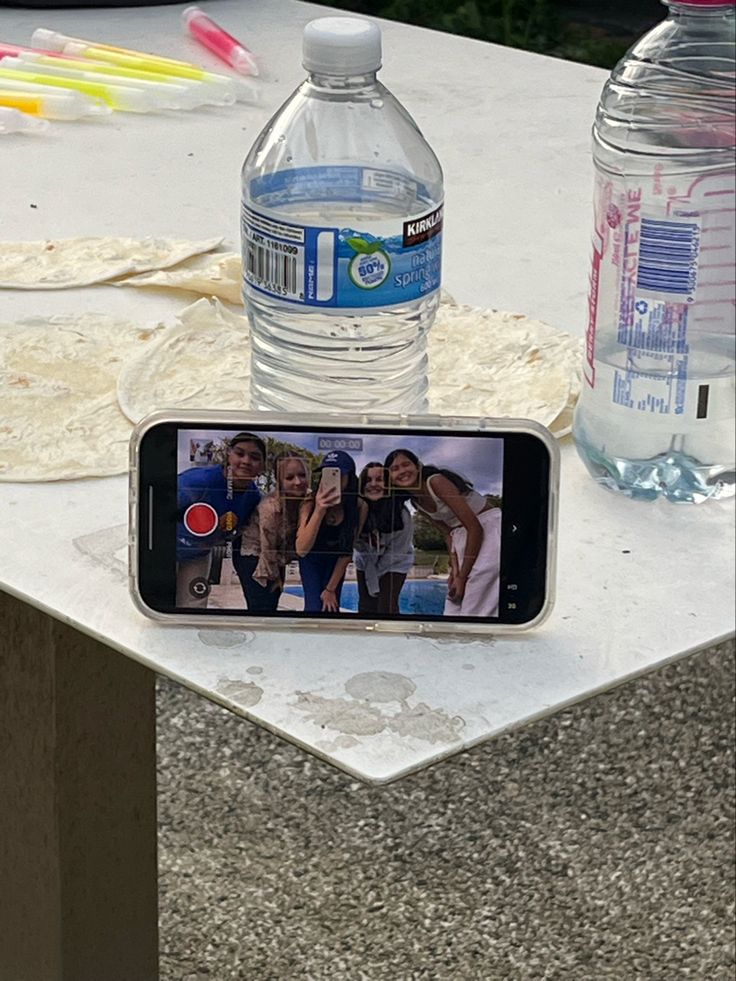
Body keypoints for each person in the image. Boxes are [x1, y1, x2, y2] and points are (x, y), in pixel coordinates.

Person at [384, 448, 501, 617]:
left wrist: (462, 576)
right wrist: (455, 571)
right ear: (391, 479)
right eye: (394, 469)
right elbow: (448, 535)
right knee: (454, 600)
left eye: (406, 464)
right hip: (464, 536)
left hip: (488, 528)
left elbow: (475, 527)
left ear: (418, 466)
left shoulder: (436, 482)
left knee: (476, 594)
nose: (402, 471)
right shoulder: (417, 503)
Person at [176, 432, 265, 608]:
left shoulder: (254, 497)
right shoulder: (197, 481)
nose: (246, 461)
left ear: (262, 466)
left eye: (254, 457)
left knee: (195, 604)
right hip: (167, 548)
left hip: (199, 555)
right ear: (228, 456)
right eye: (240, 454)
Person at [237, 452, 310, 612]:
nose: (298, 482)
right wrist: (276, 577)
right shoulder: (270, 507)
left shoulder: (306, 501)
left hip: (275, 555)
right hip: (254, 554)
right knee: (262, 606)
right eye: (289, 478)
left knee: (273, 602)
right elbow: (267, 547)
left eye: (302, 475)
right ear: (280, 482)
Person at [295, 450, 366, 613]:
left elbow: (346, 551)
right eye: (327, 475)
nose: (331, 481)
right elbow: (301, 549)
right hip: (311, 560)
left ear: (350, 479)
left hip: (335, 562)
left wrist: (330, 589)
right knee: (313, 608)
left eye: (338, 475)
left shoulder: (359, 506)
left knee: (331, 608)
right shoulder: (309, 503)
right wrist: (319, 510)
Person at [354, 462, 414, 615]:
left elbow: (398, 551)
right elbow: (355, 544)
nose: (373, 484)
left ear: (388, 484)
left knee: (386, 607)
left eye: (379, 479)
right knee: (365, 605)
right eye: (368, 480)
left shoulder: (401, 514)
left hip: (395, 562)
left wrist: (374, 577)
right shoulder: (356, 509)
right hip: (366, 560)